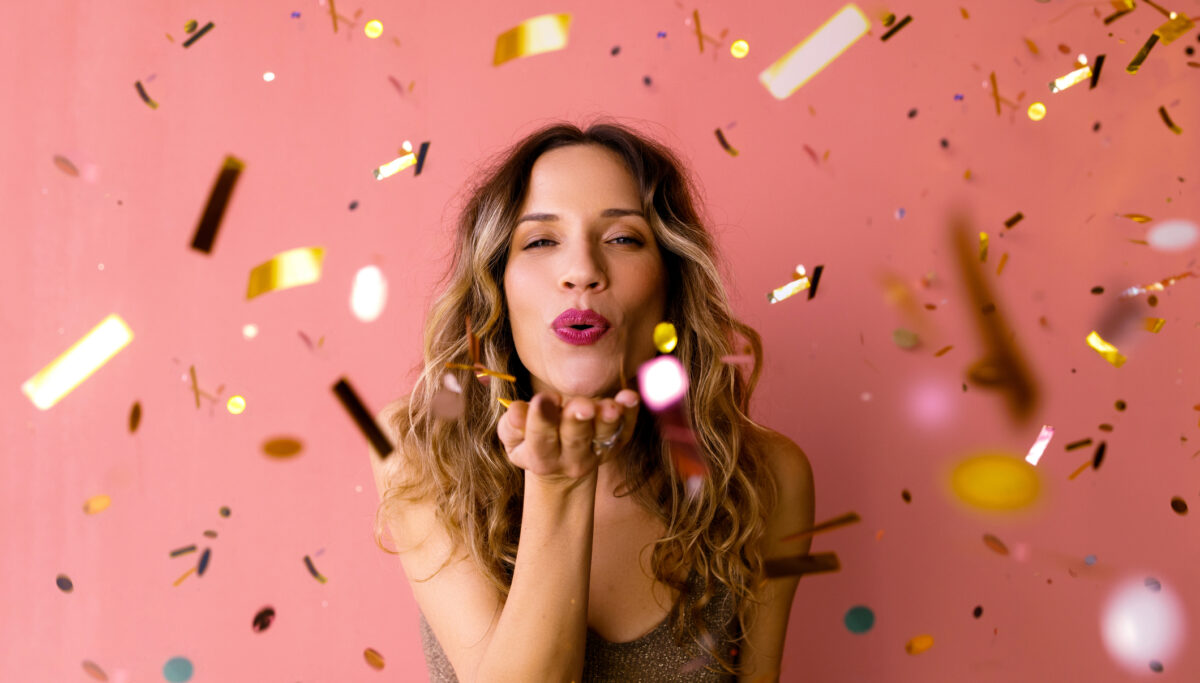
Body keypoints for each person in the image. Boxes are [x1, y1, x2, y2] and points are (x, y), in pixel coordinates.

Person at [369, 118, 815, 682]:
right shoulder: (418, 446)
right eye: (541, 241)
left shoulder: (767, 476)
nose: (582, 271)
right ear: (497, 285)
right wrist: (559, 482)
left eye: (623, 239)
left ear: (670, 280)